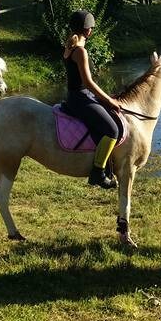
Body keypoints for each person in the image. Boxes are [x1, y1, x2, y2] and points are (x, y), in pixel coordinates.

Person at [63, 10, 122, 189]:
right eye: (91, 27)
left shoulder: (69, 46)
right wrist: (109, 100)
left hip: (75, 96)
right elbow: (88, 83)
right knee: (112, 130)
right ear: (88, 30)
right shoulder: (80, 51)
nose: (92, 30)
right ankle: (98, 173)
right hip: (81, 98)